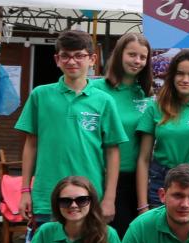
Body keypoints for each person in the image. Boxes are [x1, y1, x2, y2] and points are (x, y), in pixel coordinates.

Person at [16, 28, 125, 227]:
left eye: (79, 56)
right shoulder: (40, 95)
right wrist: (25, 191)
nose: (72, 61)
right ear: (57, 60)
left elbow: (112, 151)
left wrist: (109, 198)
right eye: (65, 56)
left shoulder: (105, 101)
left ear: (92, 59)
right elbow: (31, 145)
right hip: (47, 196)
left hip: (89, 197)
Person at [135, 49, 189, 208]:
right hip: (161, 181)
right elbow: (143, 159)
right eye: (180, 73)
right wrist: (142, 205)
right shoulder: (155, 108)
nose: (185, 79)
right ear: (172, 75)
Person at [92, 29, 152, 234]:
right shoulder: (96, 89)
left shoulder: (145, 94)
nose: (137, 61)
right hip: (99, 175)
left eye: (142, 57)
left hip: (134, 180)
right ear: (119, 55)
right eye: (132, 54)